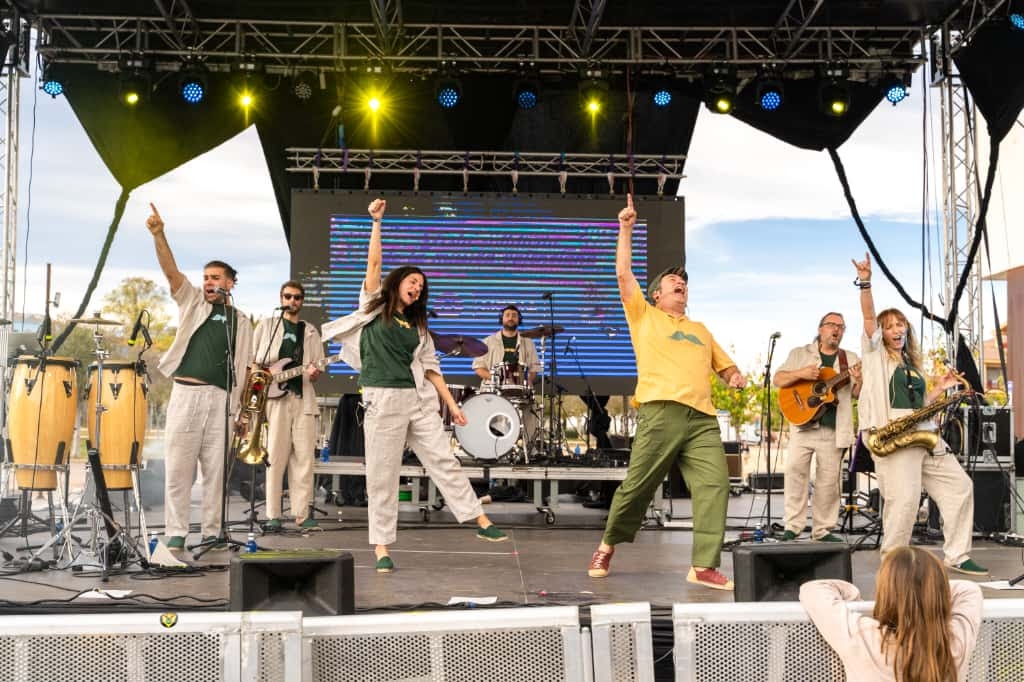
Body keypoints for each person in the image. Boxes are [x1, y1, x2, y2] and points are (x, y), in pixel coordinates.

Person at [322, 198, 507, 573]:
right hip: (382, 399)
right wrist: (376, 222)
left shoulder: (419, 328)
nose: (418, 288)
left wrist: (452, 406)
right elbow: (373, 264)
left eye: (422, 286)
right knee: (383, 476)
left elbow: (432, 368)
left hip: (416, 401)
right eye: (413, 282)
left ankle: (479, 520)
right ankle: (382, 547)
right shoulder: (374, 306)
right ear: (397, 283)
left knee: (444, 459)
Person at [588, 194, 747, 591]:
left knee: (716, 484)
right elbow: (624, 275)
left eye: (685, 283)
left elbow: (725, 366)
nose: (681, 284)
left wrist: (733, 376)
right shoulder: (644, 315)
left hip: (702, 419)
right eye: (673, 282)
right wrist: (625, 227)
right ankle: (608, 543)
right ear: (657, 294)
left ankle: (703, 565)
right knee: (639, 485)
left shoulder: (701, 330)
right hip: (661, 411)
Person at [852, 252, 987, 575]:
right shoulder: (875, 356)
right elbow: (869, 318)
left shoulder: (910, 366)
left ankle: (957, 554)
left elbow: (917, 405)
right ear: (881, 334)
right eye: (890, 327)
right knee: (905, 502)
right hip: (894, 438)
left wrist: (939, 388)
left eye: (901, 325)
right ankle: (892, 563)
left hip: (925, 436)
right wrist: (866, 283)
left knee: (960, 487)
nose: (897, 330)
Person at [145, 203, 254, 551]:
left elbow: (245, 368)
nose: (208, 282)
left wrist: (241, 412)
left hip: (221, 400)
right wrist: (159, 234)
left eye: (216, 277)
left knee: (215, 472)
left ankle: (212, 531)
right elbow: (171, 272)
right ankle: (177, 530)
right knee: (179, 470)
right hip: (187, 394)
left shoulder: (242, 320)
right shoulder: (193, 302)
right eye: (206, 277)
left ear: (230, 283)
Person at [800, 546, 983, 682]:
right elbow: (968, 589)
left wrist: (854, 598)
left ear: (885, 590)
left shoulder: (864, 636)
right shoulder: (957, 640)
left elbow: (813, 590)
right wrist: (927, 591)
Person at [773, 313, 862, 542]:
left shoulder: (850, 358)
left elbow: (856, 394)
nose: (837, 330)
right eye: (832, 325)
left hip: (833, 430)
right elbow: (779, 379)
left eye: (841, 327)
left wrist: (859, 380)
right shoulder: (800, 353)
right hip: (802, 427)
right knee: (795, 474)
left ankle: (822, 530)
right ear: (821, 328)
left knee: (829, 483)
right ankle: (793, 526)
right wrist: (801, 373)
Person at [252, 280, 325, 530]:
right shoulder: (267, 326)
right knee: (276, 456)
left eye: (296, 298)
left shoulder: (311, 331)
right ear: (281, 298)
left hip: (302, 398)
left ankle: (302, 514)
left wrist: (315, 372)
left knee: (304, 458)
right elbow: (254, 362)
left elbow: (318, 366)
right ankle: (272, 514)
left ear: (302, 302)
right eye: (287, 297)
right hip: (275, 400)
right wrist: (258, 387)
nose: (292, 301)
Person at [473, 304, 543, 451]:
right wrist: (496, 379)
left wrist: (528, 382)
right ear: (502, 318)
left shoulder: (528, 343)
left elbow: (534, 368)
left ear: (519, 319)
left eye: (514, 315)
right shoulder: (488, 341)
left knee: (532, 407)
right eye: (508, 315)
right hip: (493, 389)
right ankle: (490, 448)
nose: (511, 318)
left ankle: (528, 447)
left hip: (519, 390)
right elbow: (478, 367)